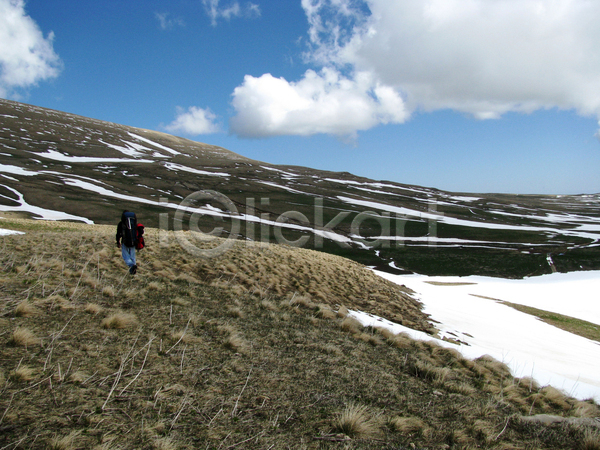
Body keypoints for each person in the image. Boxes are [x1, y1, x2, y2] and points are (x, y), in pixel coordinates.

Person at [116, 210, 138, 275]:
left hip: (125, 242)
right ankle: (133, 271)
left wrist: (118, 242)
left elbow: (118, 234)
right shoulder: (133, 223)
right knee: (132, 256)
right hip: (134, 241)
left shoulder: (121, 224)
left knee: (126, 256)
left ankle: (131, 266)